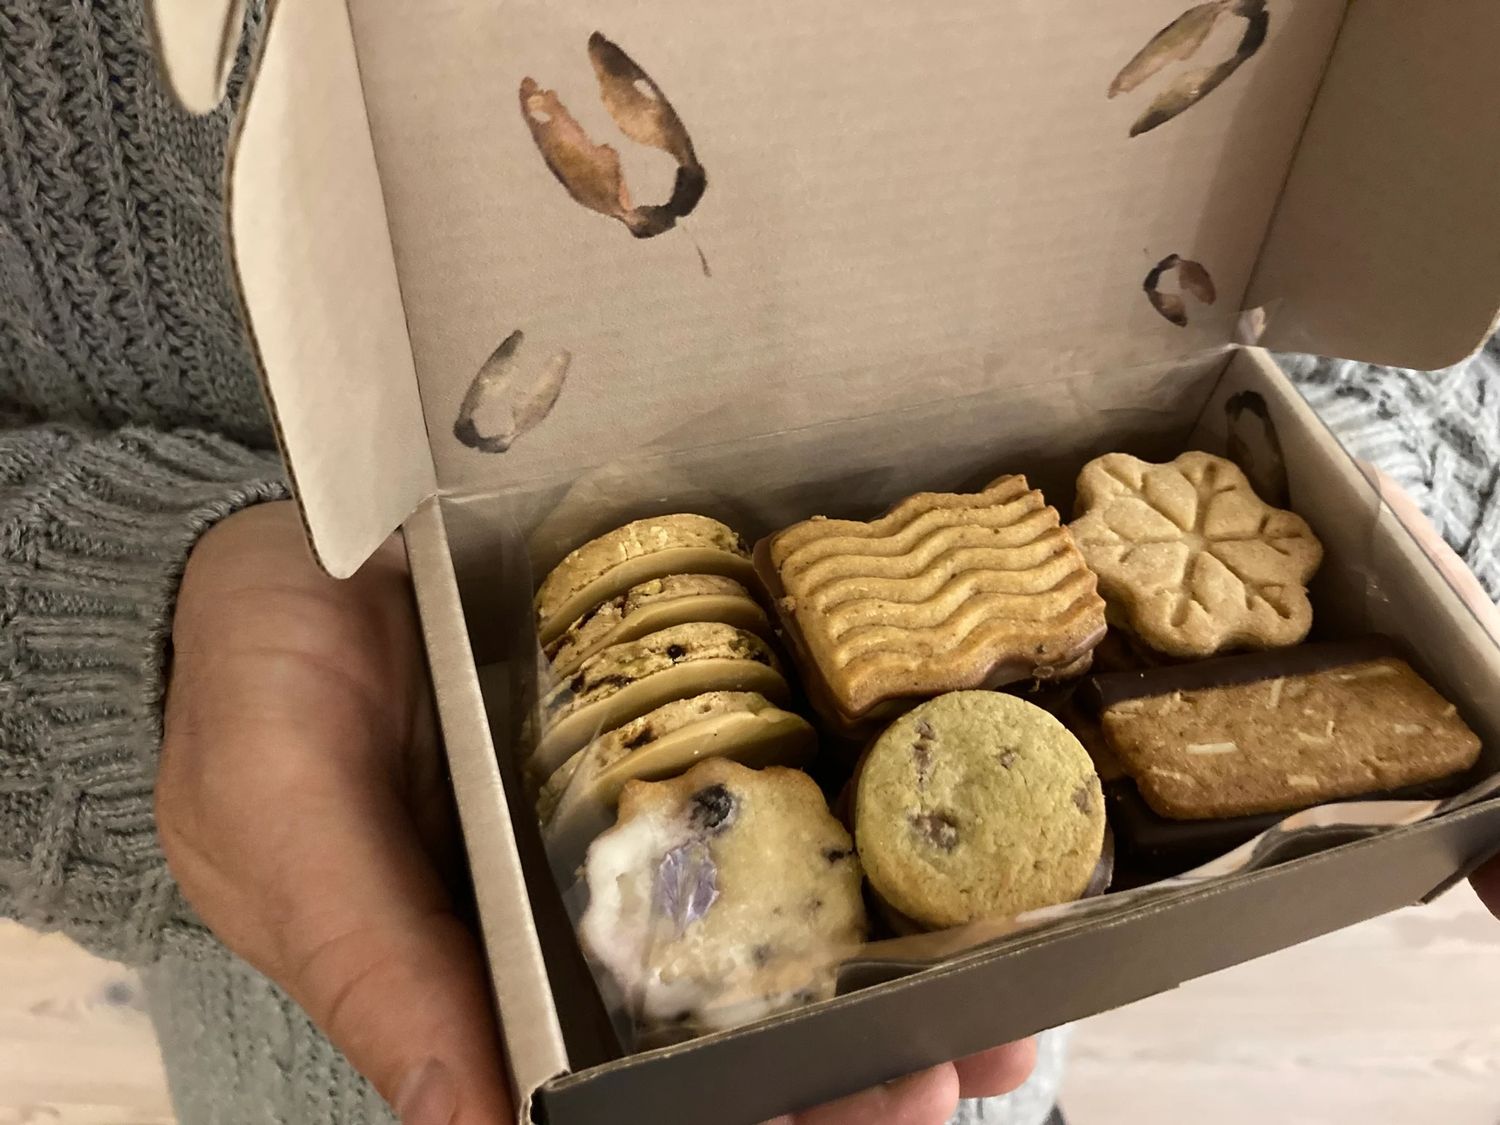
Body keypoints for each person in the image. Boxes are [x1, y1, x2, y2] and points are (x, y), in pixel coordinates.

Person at [0, 3, 1495, 1124]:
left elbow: (1392, 235)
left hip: (965, 1025)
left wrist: (1358, 455)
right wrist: (135, 632)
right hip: (312, 1001)